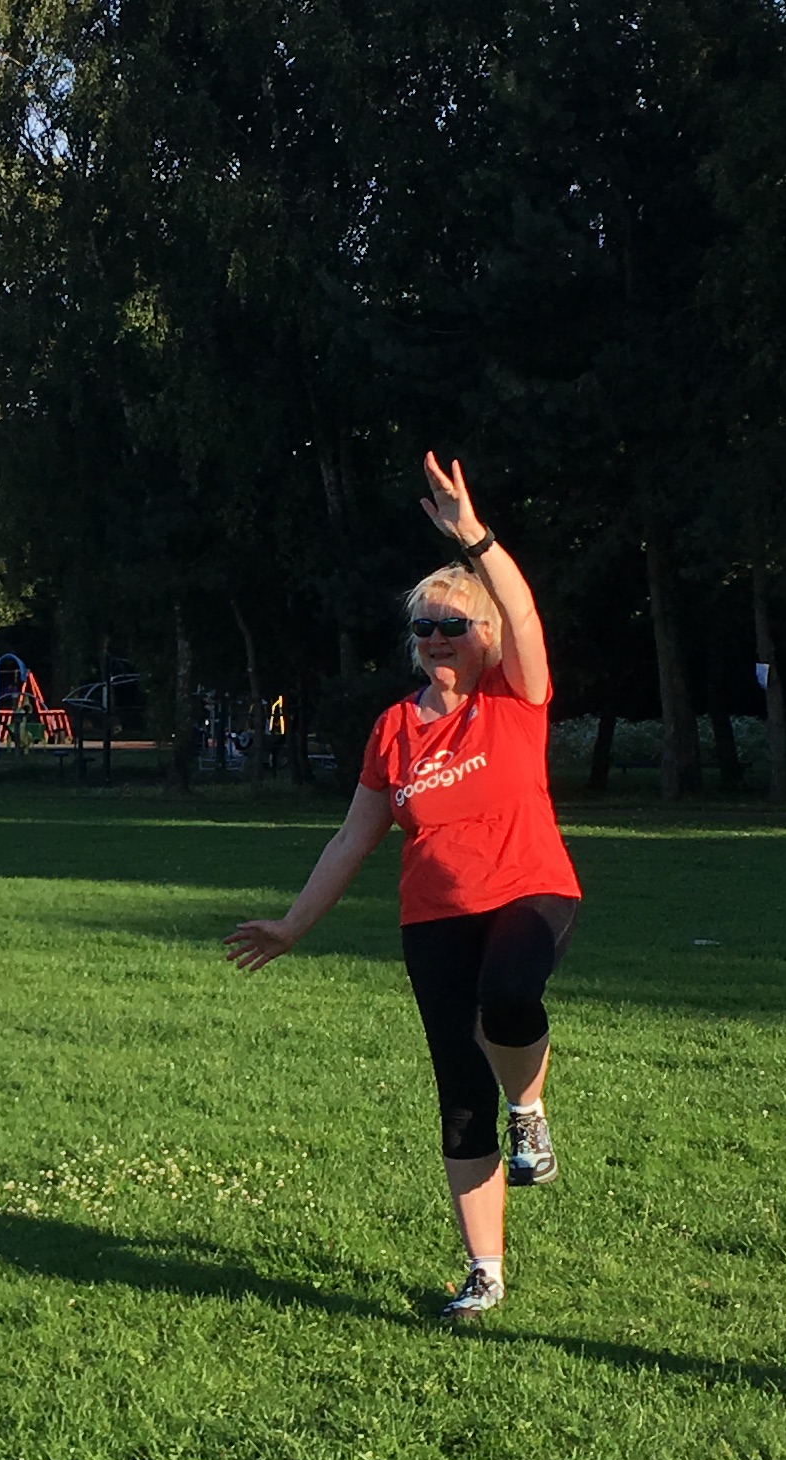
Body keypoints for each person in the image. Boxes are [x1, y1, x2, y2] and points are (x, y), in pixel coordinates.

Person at [226, 454, 578, 1320]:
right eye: (422, 626)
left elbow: (526, 612)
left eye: (451, 624)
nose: (432, 637)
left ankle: (530, 1111)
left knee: (507, 995)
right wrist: (294, 925)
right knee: (459, 1091)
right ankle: (485, 1271)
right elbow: (355, 835)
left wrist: (476, 538)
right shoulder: (394, 728)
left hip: (530, 890)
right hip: (433, 917)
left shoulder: (513, 696)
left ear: (485, 635)